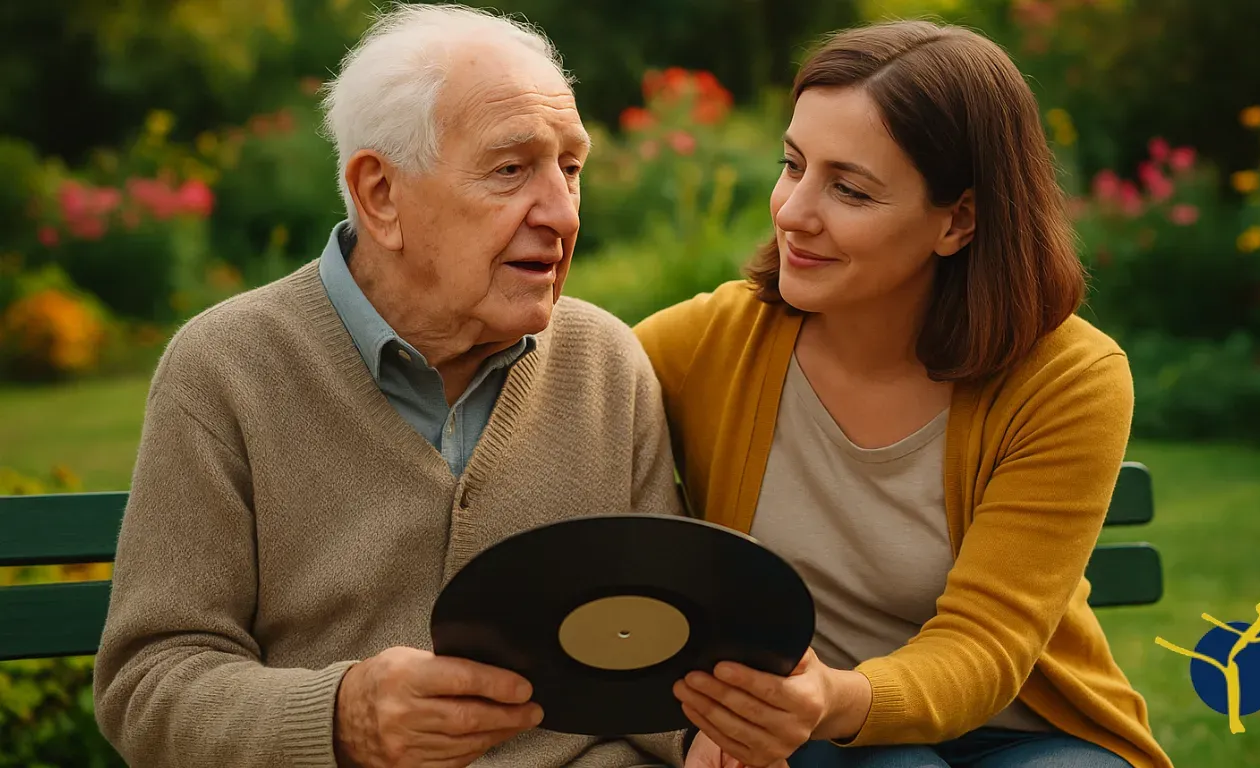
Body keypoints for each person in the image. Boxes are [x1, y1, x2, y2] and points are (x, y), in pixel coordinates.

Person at [92, 5, 698, 767]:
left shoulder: (604, 361)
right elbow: (150, 683)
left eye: (570, 169)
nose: (560, 212)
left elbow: (659, 652)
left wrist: (708, 735)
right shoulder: (226, 369)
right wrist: (343, 716)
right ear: (380, 194)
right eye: (511, 170)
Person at [634, 19, 1175, 768]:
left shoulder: (1067, 378)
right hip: (806, 735)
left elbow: (986, 642)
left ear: (958, 220)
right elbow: (553, 390)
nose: (794, 211)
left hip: (1025, 731)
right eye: (793, 165)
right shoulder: (713, 343)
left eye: (849, 189)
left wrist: (836, 697)